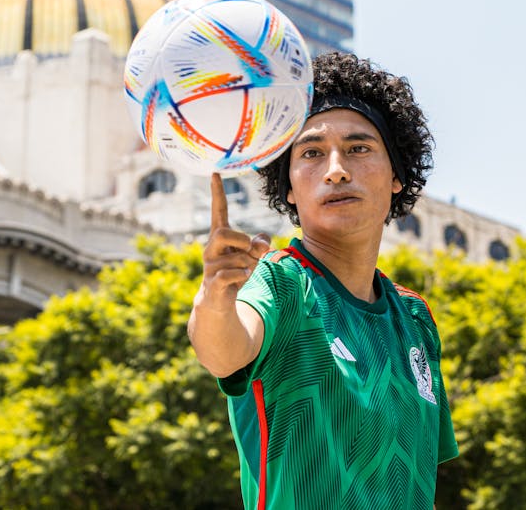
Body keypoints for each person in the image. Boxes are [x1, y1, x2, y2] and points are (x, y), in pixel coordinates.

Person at [188, 51, 458, 509]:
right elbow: (223, 351)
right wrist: (214, 298)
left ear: (396, 175)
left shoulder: (415, 316)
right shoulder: (280, 283)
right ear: (288, 185)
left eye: (359, 148)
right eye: (312, 152)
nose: (336, 168)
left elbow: (420, 484)